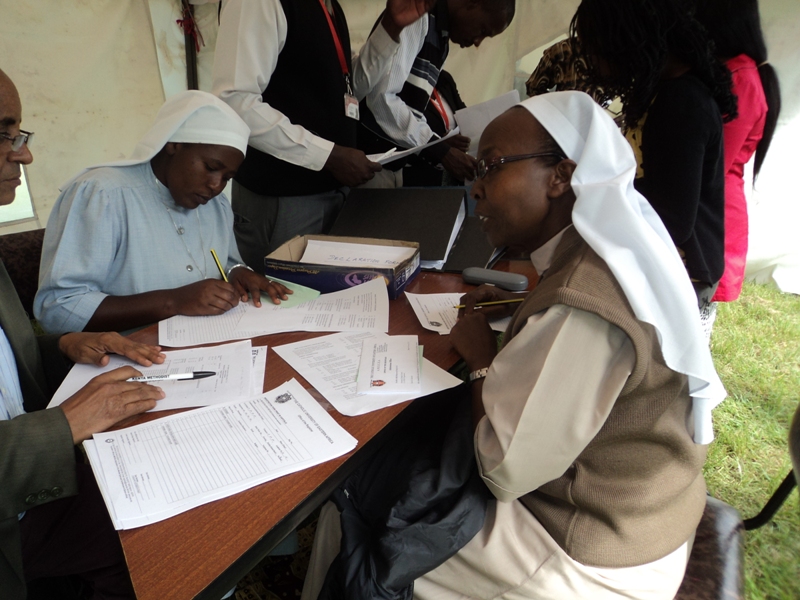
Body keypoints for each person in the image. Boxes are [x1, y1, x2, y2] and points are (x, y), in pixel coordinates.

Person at [301, 91, 727, 600]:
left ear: (560, 176)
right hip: (642, 515)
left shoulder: (582, 306)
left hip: (584, 552)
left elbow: (503, 468)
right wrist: (523, 311)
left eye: (492, 167)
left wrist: (482, 357)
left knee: (355, 511)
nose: (476, 188)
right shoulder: (609, 249)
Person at [0, 67, 167, 600]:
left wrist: (63, 348)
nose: (24, 155)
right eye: (3, 134)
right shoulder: (102, 193)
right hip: (14, 504)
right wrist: (63, 426)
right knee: (151, 535)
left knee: (159, 475)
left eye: (19, 134)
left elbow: (9, 360)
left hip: (28, 473)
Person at [35, 90, 291, 335]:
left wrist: (239, 272)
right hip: (127, 357)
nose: (216, 185)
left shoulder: (217, 205)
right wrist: (173, 301)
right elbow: (58, 308)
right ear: (174, 144)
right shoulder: (104, 195)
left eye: (227, 177)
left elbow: (222, 262)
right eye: (211, 167)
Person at [212, 0, 436, 266]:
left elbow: (351, 88)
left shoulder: (328, 7)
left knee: (321, 303)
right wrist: (329, 155)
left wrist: (390, 28)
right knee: (282, 302)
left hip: (331, 193)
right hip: (283, 198)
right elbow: (235, 101)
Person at [570, 0, 737, 336]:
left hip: (678, 275)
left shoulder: (681, 103)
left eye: (600, 48)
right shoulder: (666, 92)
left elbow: (672, 218)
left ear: (630, 39)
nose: (597, 63)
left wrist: (593, 186)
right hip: (664, 266)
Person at [357, 0, 517, 187]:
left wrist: (440, 142)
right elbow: (381, 99)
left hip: (390, 168)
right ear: (472, 4)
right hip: (369, 166)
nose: (477, 42)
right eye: (482, 30)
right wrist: (440, 151)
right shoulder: (417, 16)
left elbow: (411, 110)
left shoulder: (440, 38)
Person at [695, 0, 781, 304]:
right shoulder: (734, 71)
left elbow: (713, 162)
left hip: (711, 213)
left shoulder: (739, 77)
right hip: (709, 208)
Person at [402, 70, 468, 187]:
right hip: (421, 177)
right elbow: (403, 130)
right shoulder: (406, 82)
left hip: (454, 175)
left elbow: (463, 113)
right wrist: (439, 143)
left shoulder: (444, 78)